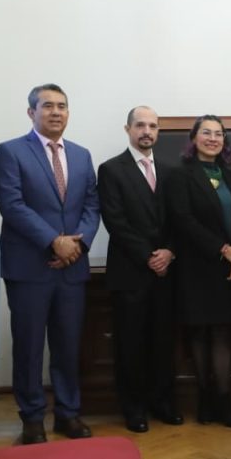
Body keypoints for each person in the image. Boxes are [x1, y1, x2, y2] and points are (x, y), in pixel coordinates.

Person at [0, 83, 100, 444]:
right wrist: (53, 242)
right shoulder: (10, 152)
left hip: (72, 268)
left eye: (62, 106)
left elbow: (91, 206)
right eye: (48, 106)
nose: (56, 112)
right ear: (31, 113)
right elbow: (12, 204)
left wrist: (75, 248)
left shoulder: (83, 155)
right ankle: (33, 418)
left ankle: (68, 414)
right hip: (29, 268)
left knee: (68, 345)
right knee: (29, 346)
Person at [97, 106, 182, 433]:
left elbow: (178, 219)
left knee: (162, 342)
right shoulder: (111, 170)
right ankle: (133, 409)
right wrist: (149, 256)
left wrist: (170, 252)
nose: (147, 131)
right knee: (130, 344)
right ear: (128, 129)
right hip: (131, 272)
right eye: (140, 125)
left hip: (166, 273)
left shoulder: (170, 170)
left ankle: (162, 402)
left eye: (153, 126)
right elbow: (115, 222)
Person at [165, 115, 231, 429]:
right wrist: (223, 250)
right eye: (206, 133)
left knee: (224, 334)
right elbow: (184, 221)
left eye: (218, 134)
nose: (213, 138)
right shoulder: (180, 175)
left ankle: (225, 402)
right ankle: (204, 399)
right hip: (198, 267)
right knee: (200, 334)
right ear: (194, 138)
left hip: (230, 269)